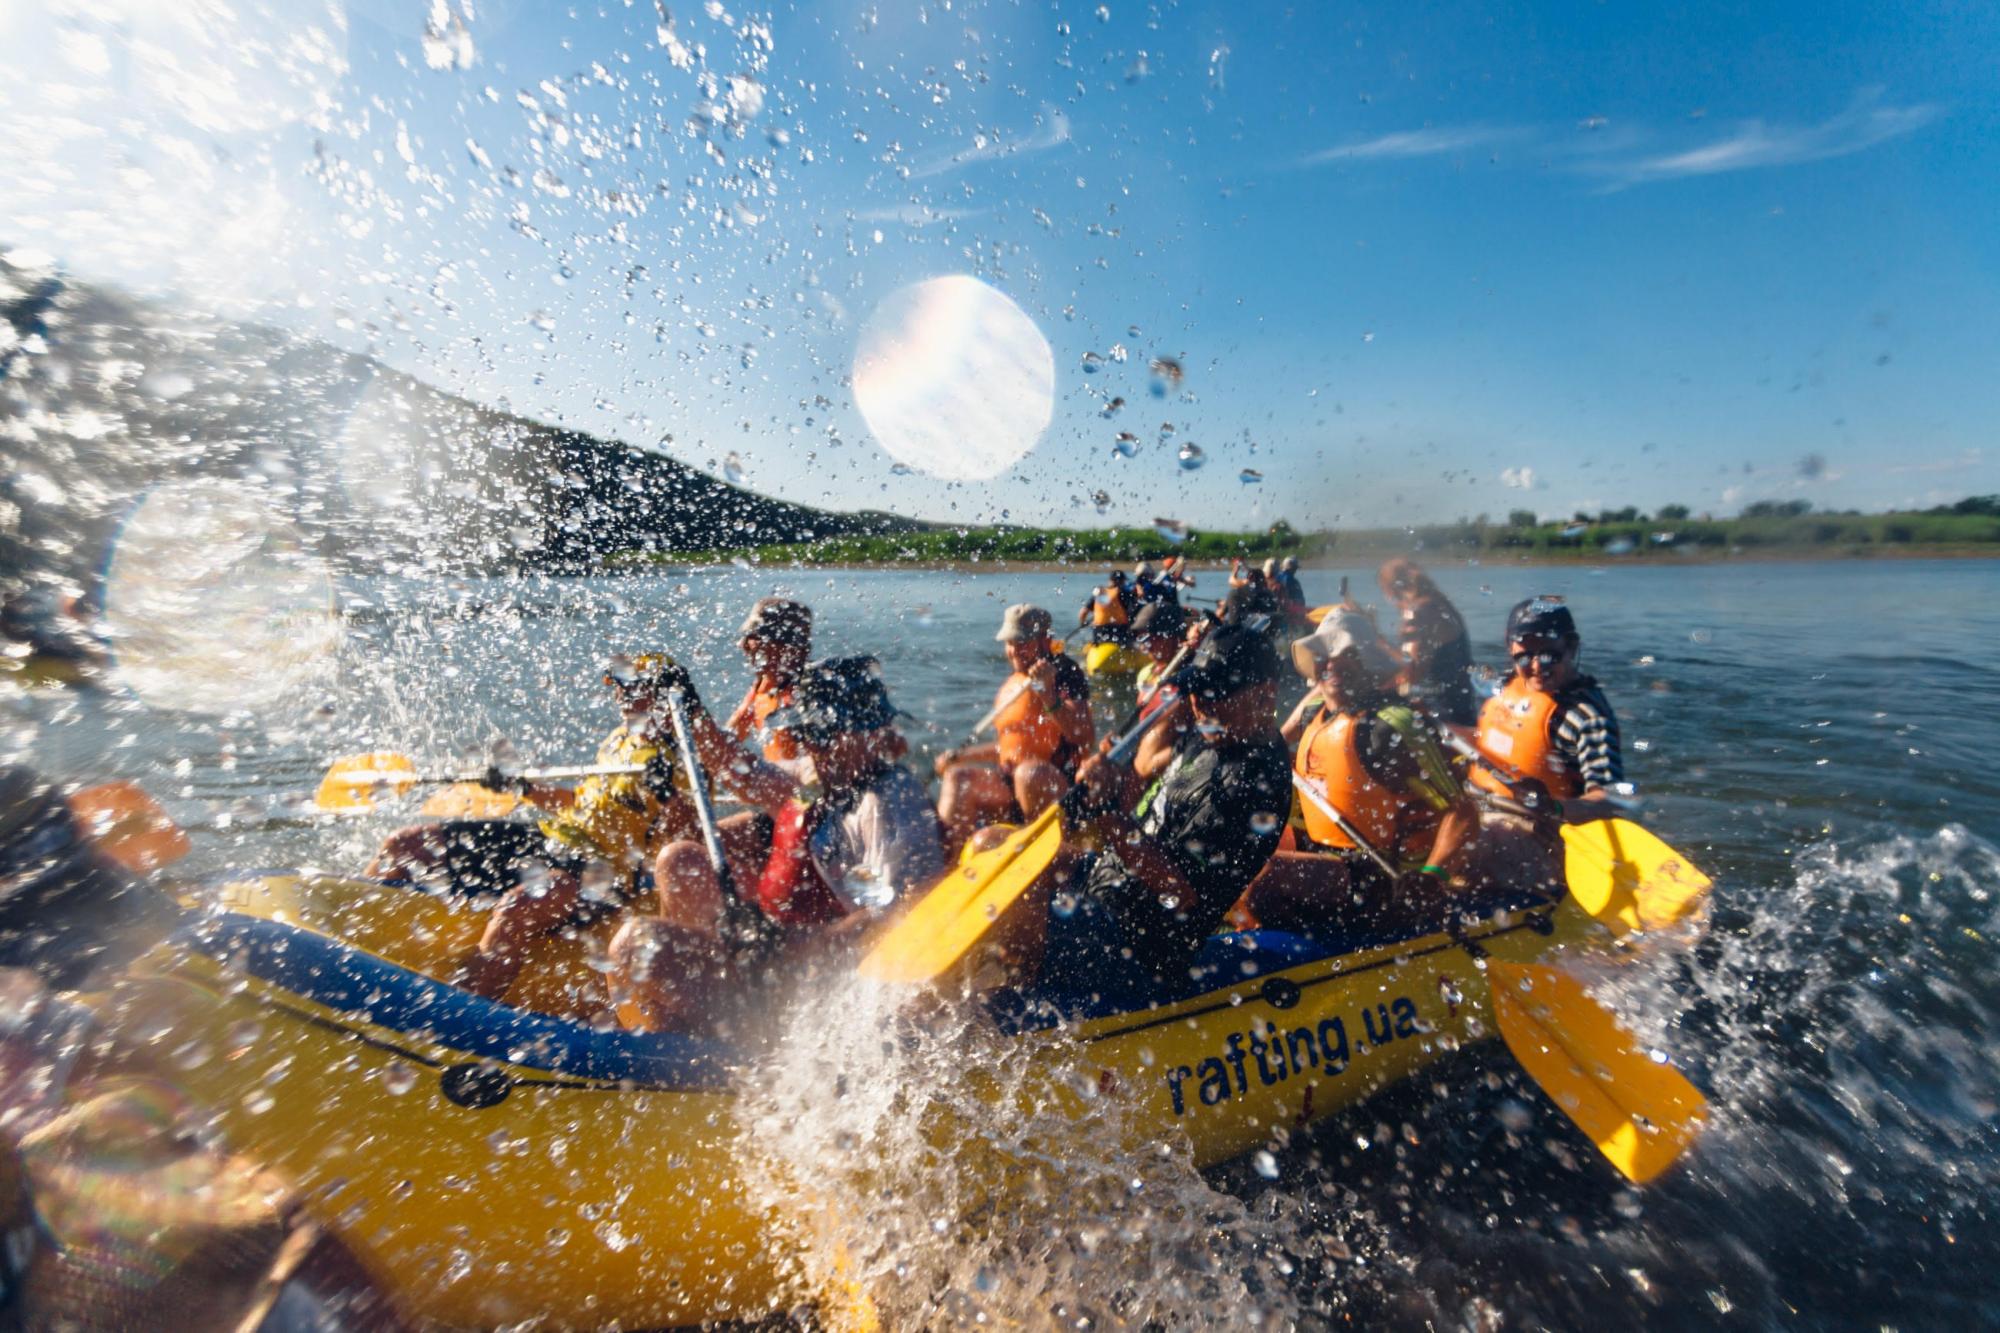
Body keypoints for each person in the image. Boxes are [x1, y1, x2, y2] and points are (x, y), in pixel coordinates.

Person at [366, 653, 756, 1001]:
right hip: (552, 841)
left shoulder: (686, 756)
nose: (618, 694)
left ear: (658, 695)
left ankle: (459, 1016)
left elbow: (688, 840)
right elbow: (578, 803)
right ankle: (357, 932)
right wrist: (522, 787)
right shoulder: (620, 740)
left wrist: (667, 794)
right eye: (614, 685)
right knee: (404, 845)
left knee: (517, 907)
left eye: (628, 686)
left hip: (603, 873)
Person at [609, 656, 946, 1030]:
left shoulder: (886, 804)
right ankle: (681, 1023)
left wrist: (782, 943)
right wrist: (692, 710)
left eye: (817, 736)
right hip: (771, 956)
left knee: (632, 945)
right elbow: (739, 770)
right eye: (805, 734)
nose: (808, 746)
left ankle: (723, 1049)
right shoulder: (819, 778)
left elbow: (902, 912)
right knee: (680, 859)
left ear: (863, 733)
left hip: (812, 983)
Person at [1007, 624, 1291, 1007]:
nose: (1201, 703)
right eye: (1196, 691)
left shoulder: (1256, 784)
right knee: (995, 847)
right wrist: (1109, 777)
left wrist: (1104, 809)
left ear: (1265, 693)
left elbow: (1177, 894)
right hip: (1108, 882)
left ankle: (1015, 1010)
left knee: (1010, 908)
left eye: (1216, 693)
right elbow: (1145, 781)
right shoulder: (1214, 732)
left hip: (1141, 944)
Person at [1238, 611, 1479, 938]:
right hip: (1329, 858)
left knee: (1263, 876)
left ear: (1368, 663)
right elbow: (1269, 748)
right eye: (1325, 656)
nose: (1333, 665)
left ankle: (1308, 954)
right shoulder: (1314, 712)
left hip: (1386, 874)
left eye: (1348, 656)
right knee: (1236, 853)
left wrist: (1432, 878)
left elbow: (1462, 811)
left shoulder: (1390, 727)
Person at [937, 605, 1095, 853]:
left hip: (1055, 787)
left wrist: (1047, 692)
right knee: (958, 777)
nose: (1013, 651)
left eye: (1022, 642)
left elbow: (1082, 734)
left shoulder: (1065, 673)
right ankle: (948, 869)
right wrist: (961, 758)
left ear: (1045, 640)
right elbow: (1010, 747)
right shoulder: (1013, 682)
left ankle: (1050, 852)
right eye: (1009, 642)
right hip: (1011, 785)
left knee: (1028, 773)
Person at [1469, 597, 1627, 813]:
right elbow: (1482, 738)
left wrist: (1555, 808)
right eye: (1524, 657)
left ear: (1571, 647)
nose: (1535, 667)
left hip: (1541, 828)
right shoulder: (1507, 685)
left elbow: (1609, 798)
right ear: (1509, 648)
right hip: (1479, 803)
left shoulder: (1586, 717)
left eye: (1549, 656)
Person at [723, 597, 815, 781]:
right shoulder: (764, 686)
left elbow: (816, 785)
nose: (741, 645)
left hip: (807, 804)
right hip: (784, 799)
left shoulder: (808, 697)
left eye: (752, 637)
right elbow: (726, 742)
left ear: (786, 645)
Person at [1377, 558, 1477, 726]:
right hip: (1462, 706)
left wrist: (1377, 639)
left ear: (1389, 590)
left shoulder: (1417, 612)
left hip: (1436, 713)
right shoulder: (1441, 603)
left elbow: (1411, 672)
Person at [1076, 568, 1138, 647]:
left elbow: (1083, 613)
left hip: (1099, 631)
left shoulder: (1099, 592)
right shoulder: (1124, 593)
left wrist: (1083, 623)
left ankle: (1095, 647)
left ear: (1110, 580)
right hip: (1119, 631)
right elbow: (1133, 612)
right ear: (1121, 581)